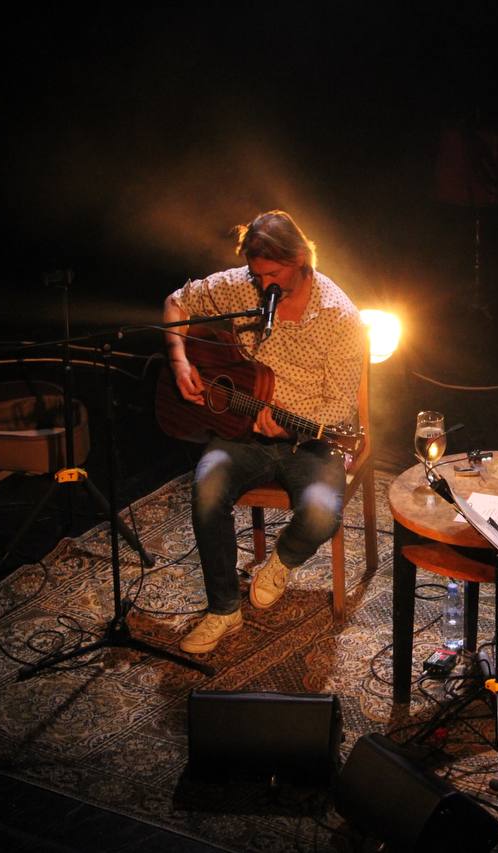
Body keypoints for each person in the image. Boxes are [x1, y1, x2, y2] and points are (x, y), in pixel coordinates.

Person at [163, 210, 366, 654]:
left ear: (301, 259)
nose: (263, 283)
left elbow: (338, 407)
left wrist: (284, 417)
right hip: (240, 430)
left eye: (273, 273)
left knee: (319, 514)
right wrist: (181, 361)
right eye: (257, 274)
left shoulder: (339, 316)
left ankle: (281, 560)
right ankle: (223, 610)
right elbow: (176, 303)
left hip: (311, 440)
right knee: (207, 488)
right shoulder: (244, 285)